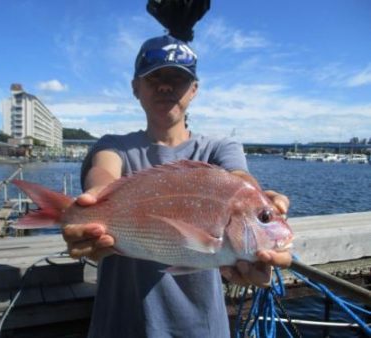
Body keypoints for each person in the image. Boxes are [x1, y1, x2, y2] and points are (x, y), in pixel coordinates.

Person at [62, 35, 291, 338]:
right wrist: (93, 200)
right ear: (135, 87)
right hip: (119, 326)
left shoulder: (220, 147)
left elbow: (239, 179)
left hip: (202, 329)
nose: (166, 86)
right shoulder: (113, 145)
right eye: (154, 76)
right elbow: (103, 171)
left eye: (178, 78)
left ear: (194, 89)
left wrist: (258, 203)